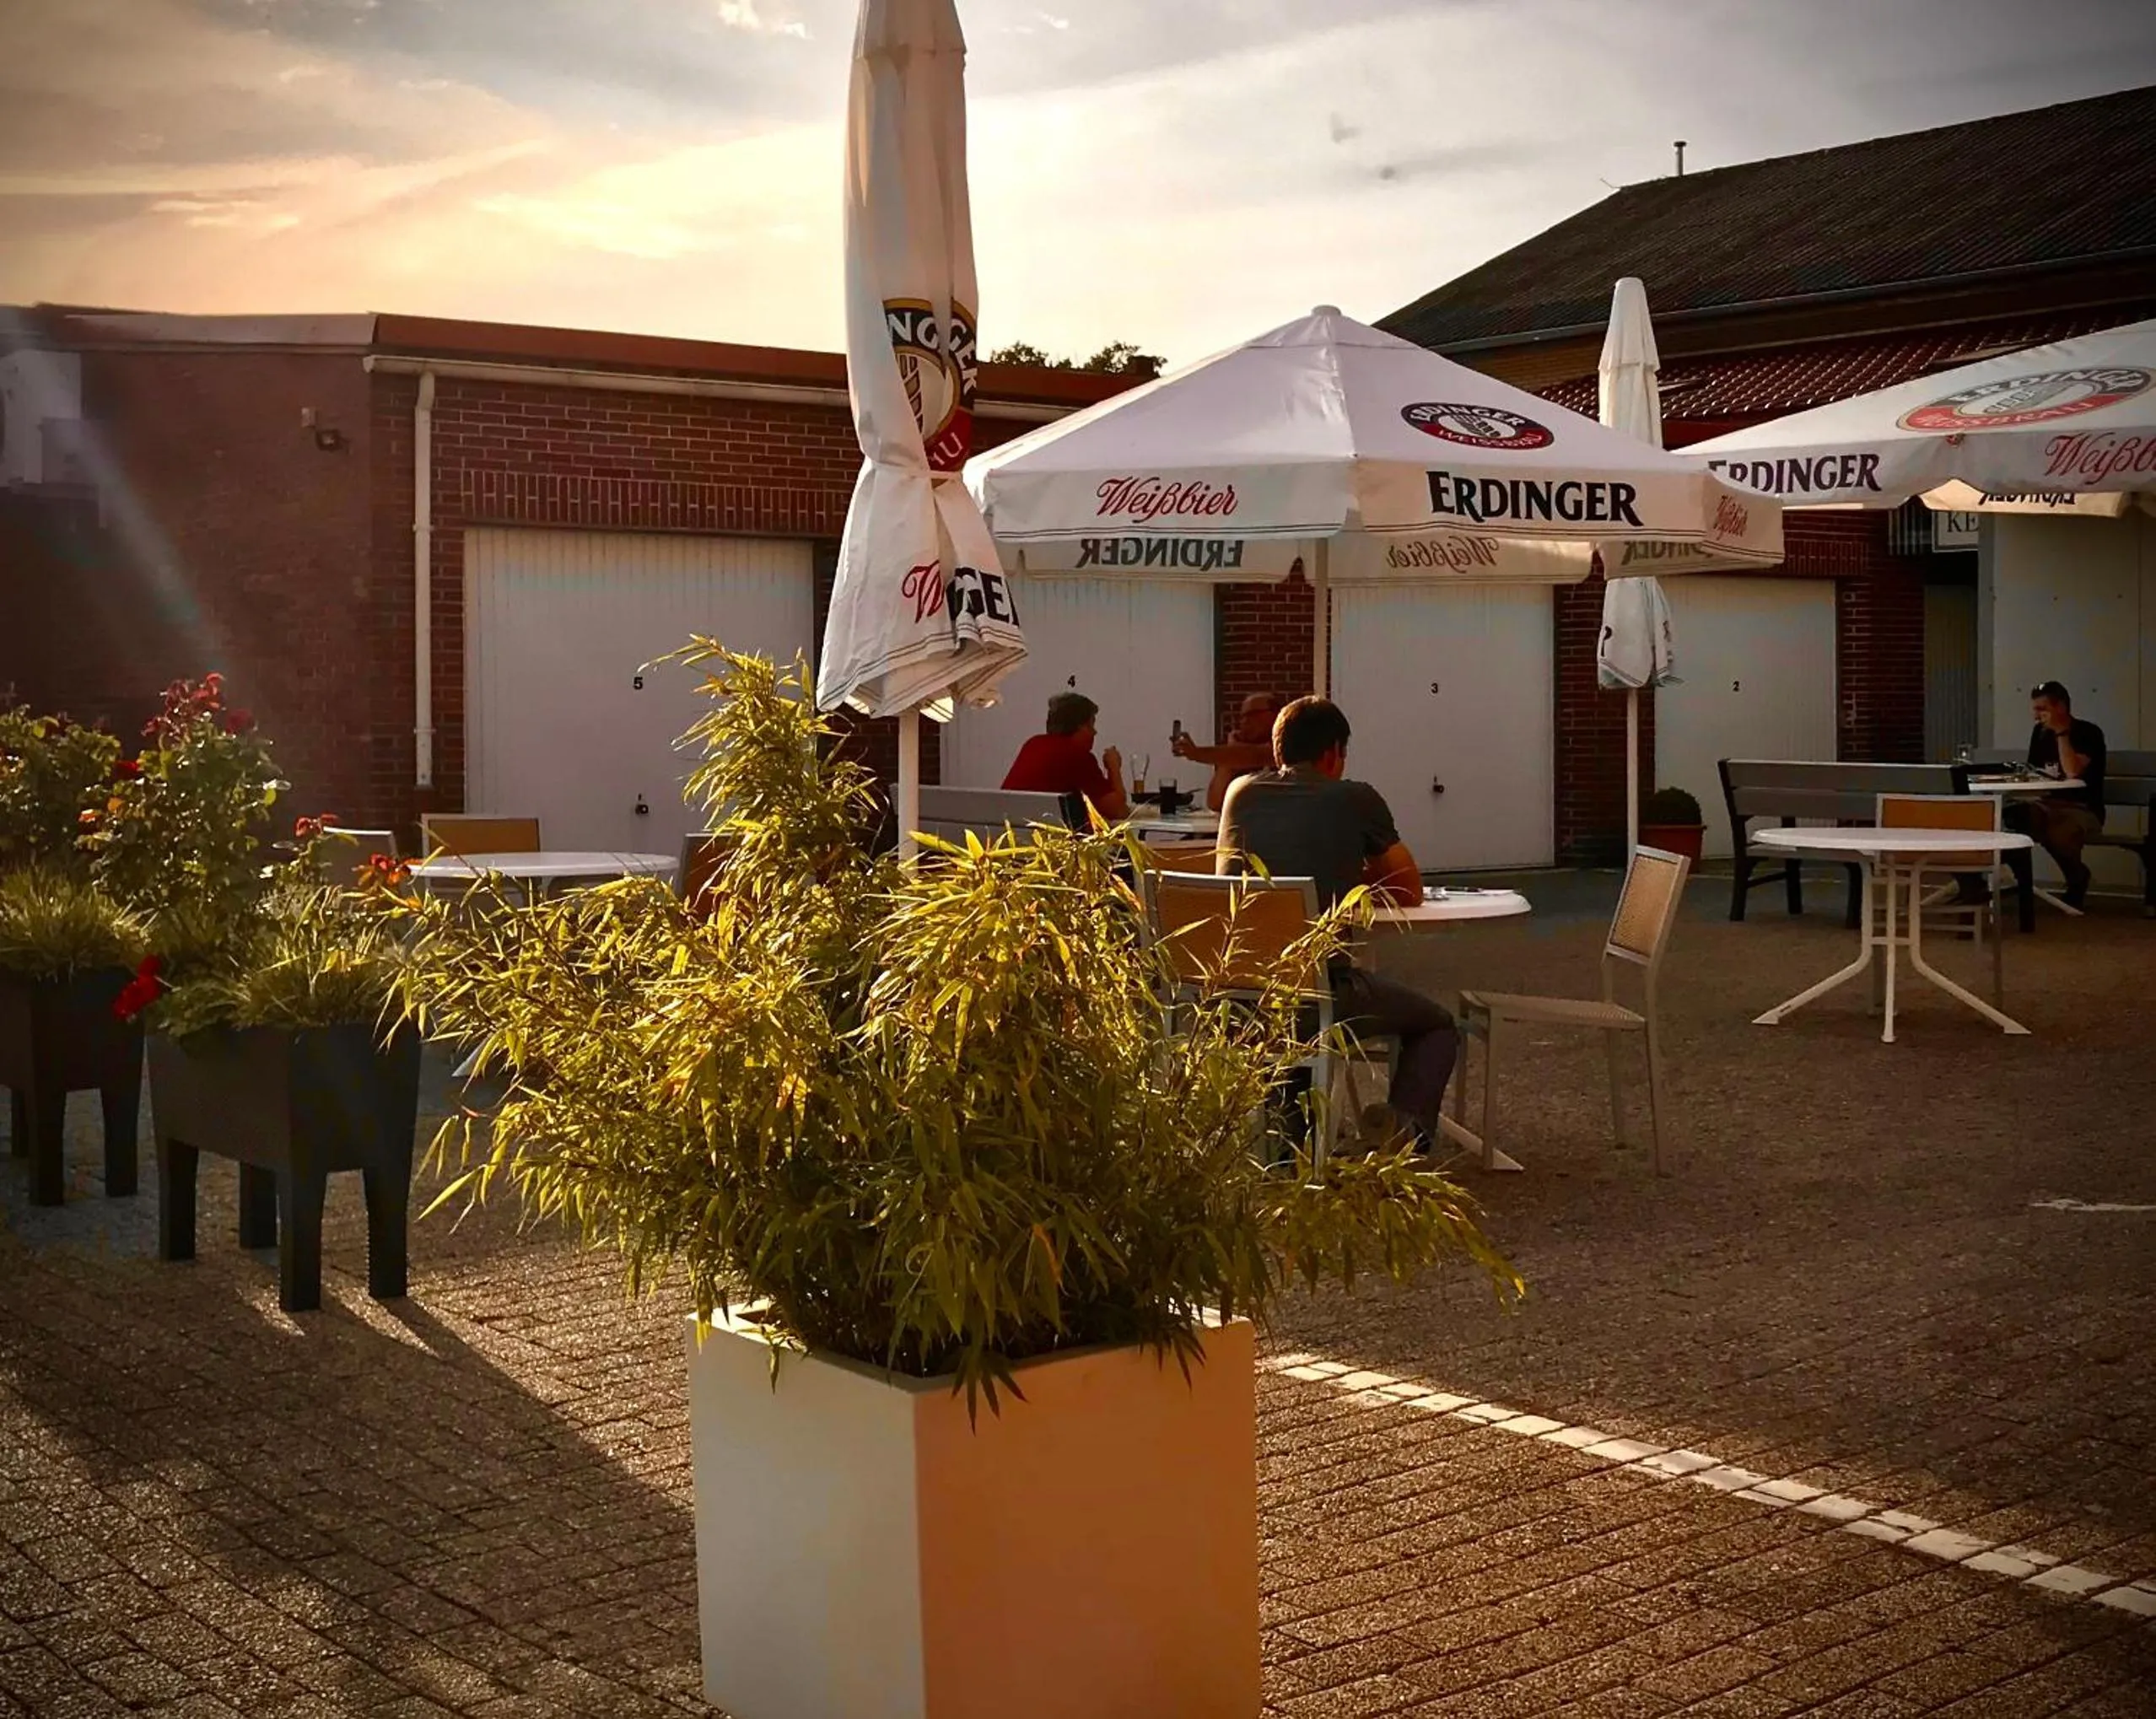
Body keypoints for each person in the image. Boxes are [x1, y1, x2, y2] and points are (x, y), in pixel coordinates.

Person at [1216, 696, 1457, 1154]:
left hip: (1238, 997)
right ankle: (1399, 1141)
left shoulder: (1239, 794)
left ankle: (1288, 1148)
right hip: (1316, 995)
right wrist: (1355, 874)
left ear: (1277, 750)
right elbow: (1408, 888)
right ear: (1333, 754)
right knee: (1437, 1025)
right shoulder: (1354, 798)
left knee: (1298, 1015)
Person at [2011, 680, 2107, 908]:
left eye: (2042, 709)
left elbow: (2073, 771)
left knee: (2059, 830)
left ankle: (2076, 877)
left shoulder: (2088, 733)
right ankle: (2017, 884)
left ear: (2061, 707)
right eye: (2035, 709)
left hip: (2082, 808)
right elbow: (2035, 772)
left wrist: (2061, 733)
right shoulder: (2039, 733)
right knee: (2016, 820)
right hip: (2046, 803)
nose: (2037, 716)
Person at [1002, 690, 1129, 821]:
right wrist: (1114, 768)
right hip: (1051, 837)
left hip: (1011, 832)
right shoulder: (1078, 756)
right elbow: (1119, 812)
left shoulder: (1033, 744)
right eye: (1091, 725)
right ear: (1079, 726)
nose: (1094, 732)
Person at [1172, 692, 1280, 811]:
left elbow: (1256, 755)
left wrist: (1196, 753)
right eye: (1242, 717)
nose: (1244, 722)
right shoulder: (1238, 755)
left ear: (1273, 714)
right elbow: (1214, 803)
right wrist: (1231, 758)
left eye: (1251, 715)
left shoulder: (1285, 745)